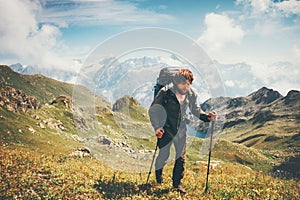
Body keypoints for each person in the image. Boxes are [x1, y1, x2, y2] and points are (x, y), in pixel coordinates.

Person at [148, 68, 216, 194]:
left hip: (181, 129)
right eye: (183, 83)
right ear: (176, 82)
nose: (186, 86)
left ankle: (177, 184)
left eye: (189, 83)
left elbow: (196, 111)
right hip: (166, 128)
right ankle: (159, 176)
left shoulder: (191, 94)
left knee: (181, 158)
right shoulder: (165, 92)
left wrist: (207, 117)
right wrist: (157, 127)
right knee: (164, 155)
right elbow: (153, 110)